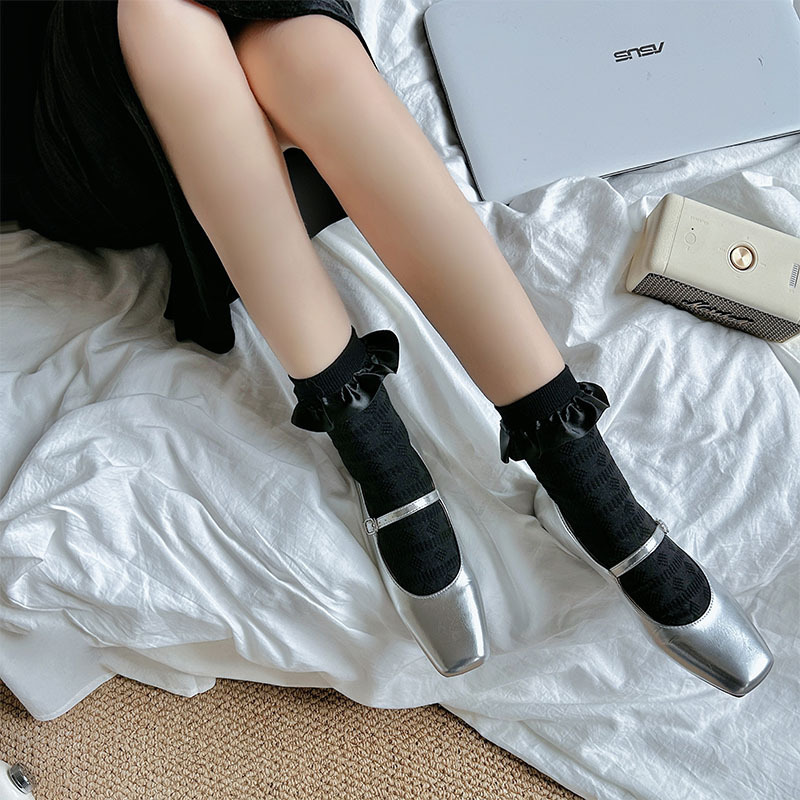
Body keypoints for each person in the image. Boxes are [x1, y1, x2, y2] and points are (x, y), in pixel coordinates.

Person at [16, 0, 772, 692]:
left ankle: (581, 473)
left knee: (303, 51)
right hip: (79, 93)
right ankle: (375, 447)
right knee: (163, 15)